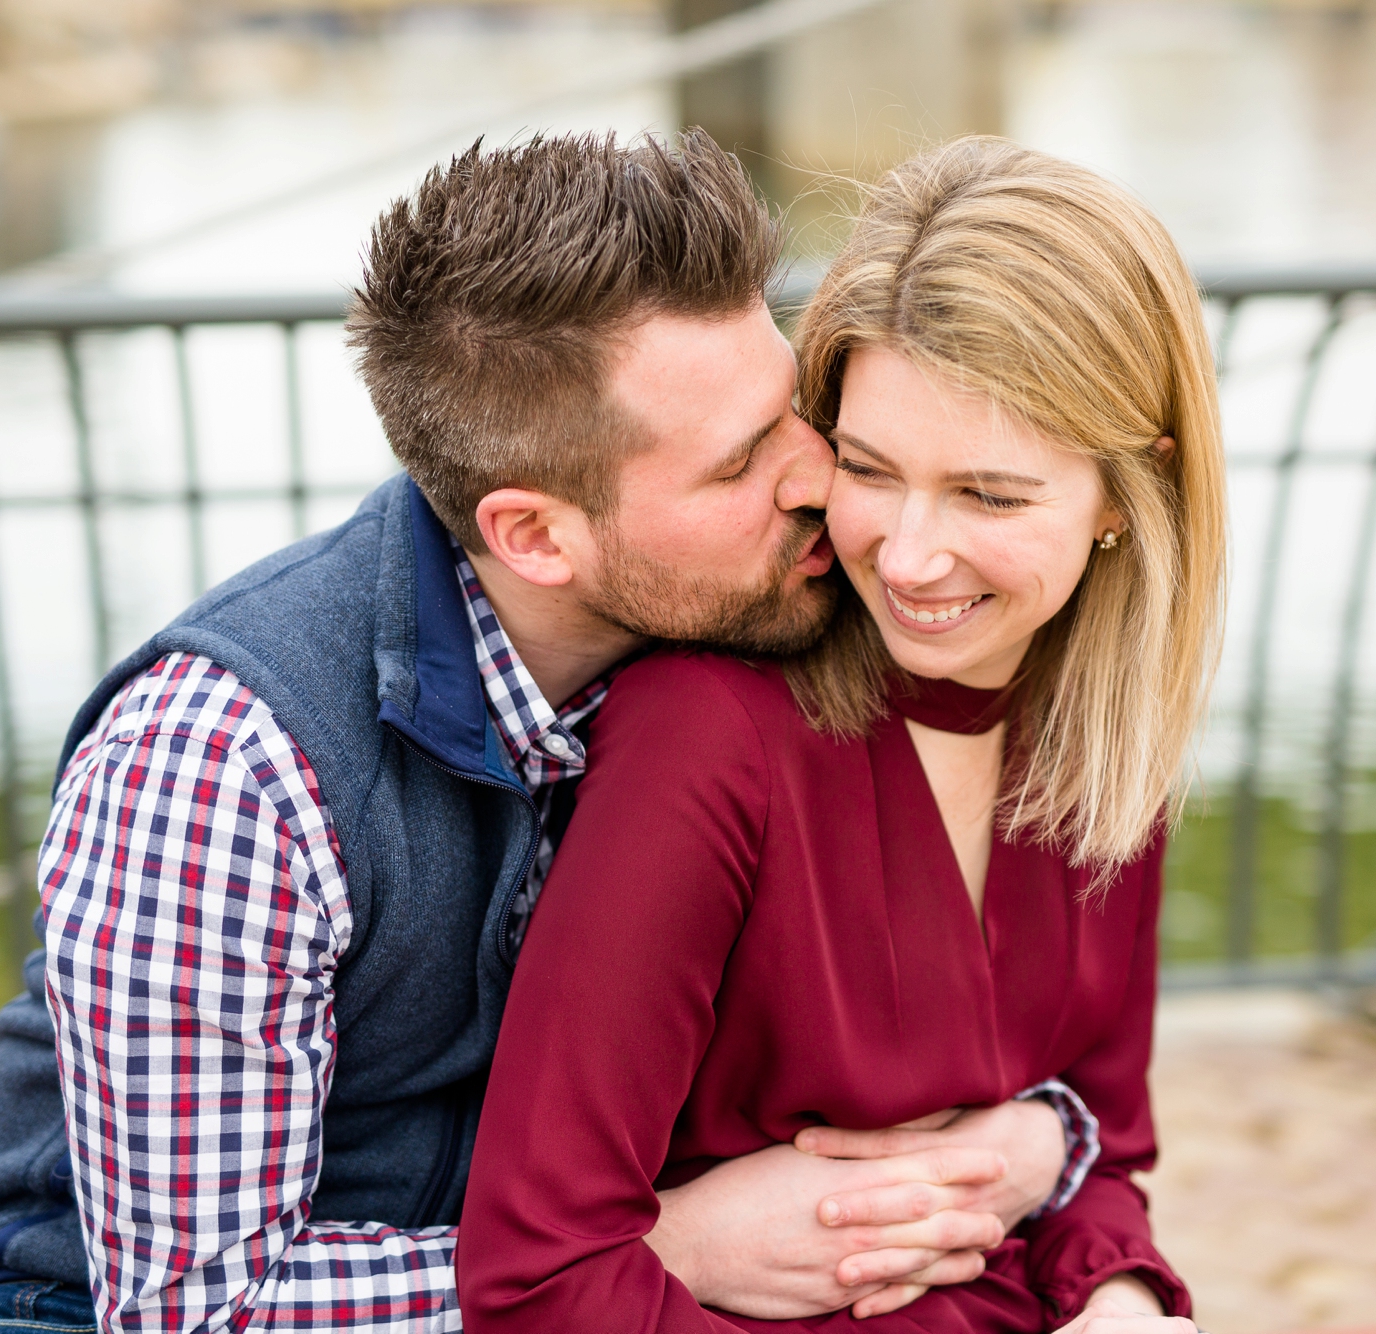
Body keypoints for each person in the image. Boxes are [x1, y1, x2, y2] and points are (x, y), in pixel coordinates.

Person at [0, 131, 1107, 1334]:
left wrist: (1038, 1136)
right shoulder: (222, 767)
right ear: (536, 535)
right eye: (742, 460)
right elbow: (195, 1307)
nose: (820, 475)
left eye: (791, 404)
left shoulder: (737, 613)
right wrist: (667, 1244)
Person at [457, 137, 1226, 1334]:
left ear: (1126, 497)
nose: (908, 557)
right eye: (867, 468)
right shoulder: (705, 738)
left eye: (989, 494)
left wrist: (1120, 1295)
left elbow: (1098, 1147)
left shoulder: (1100, 735)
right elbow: (539, 1278)